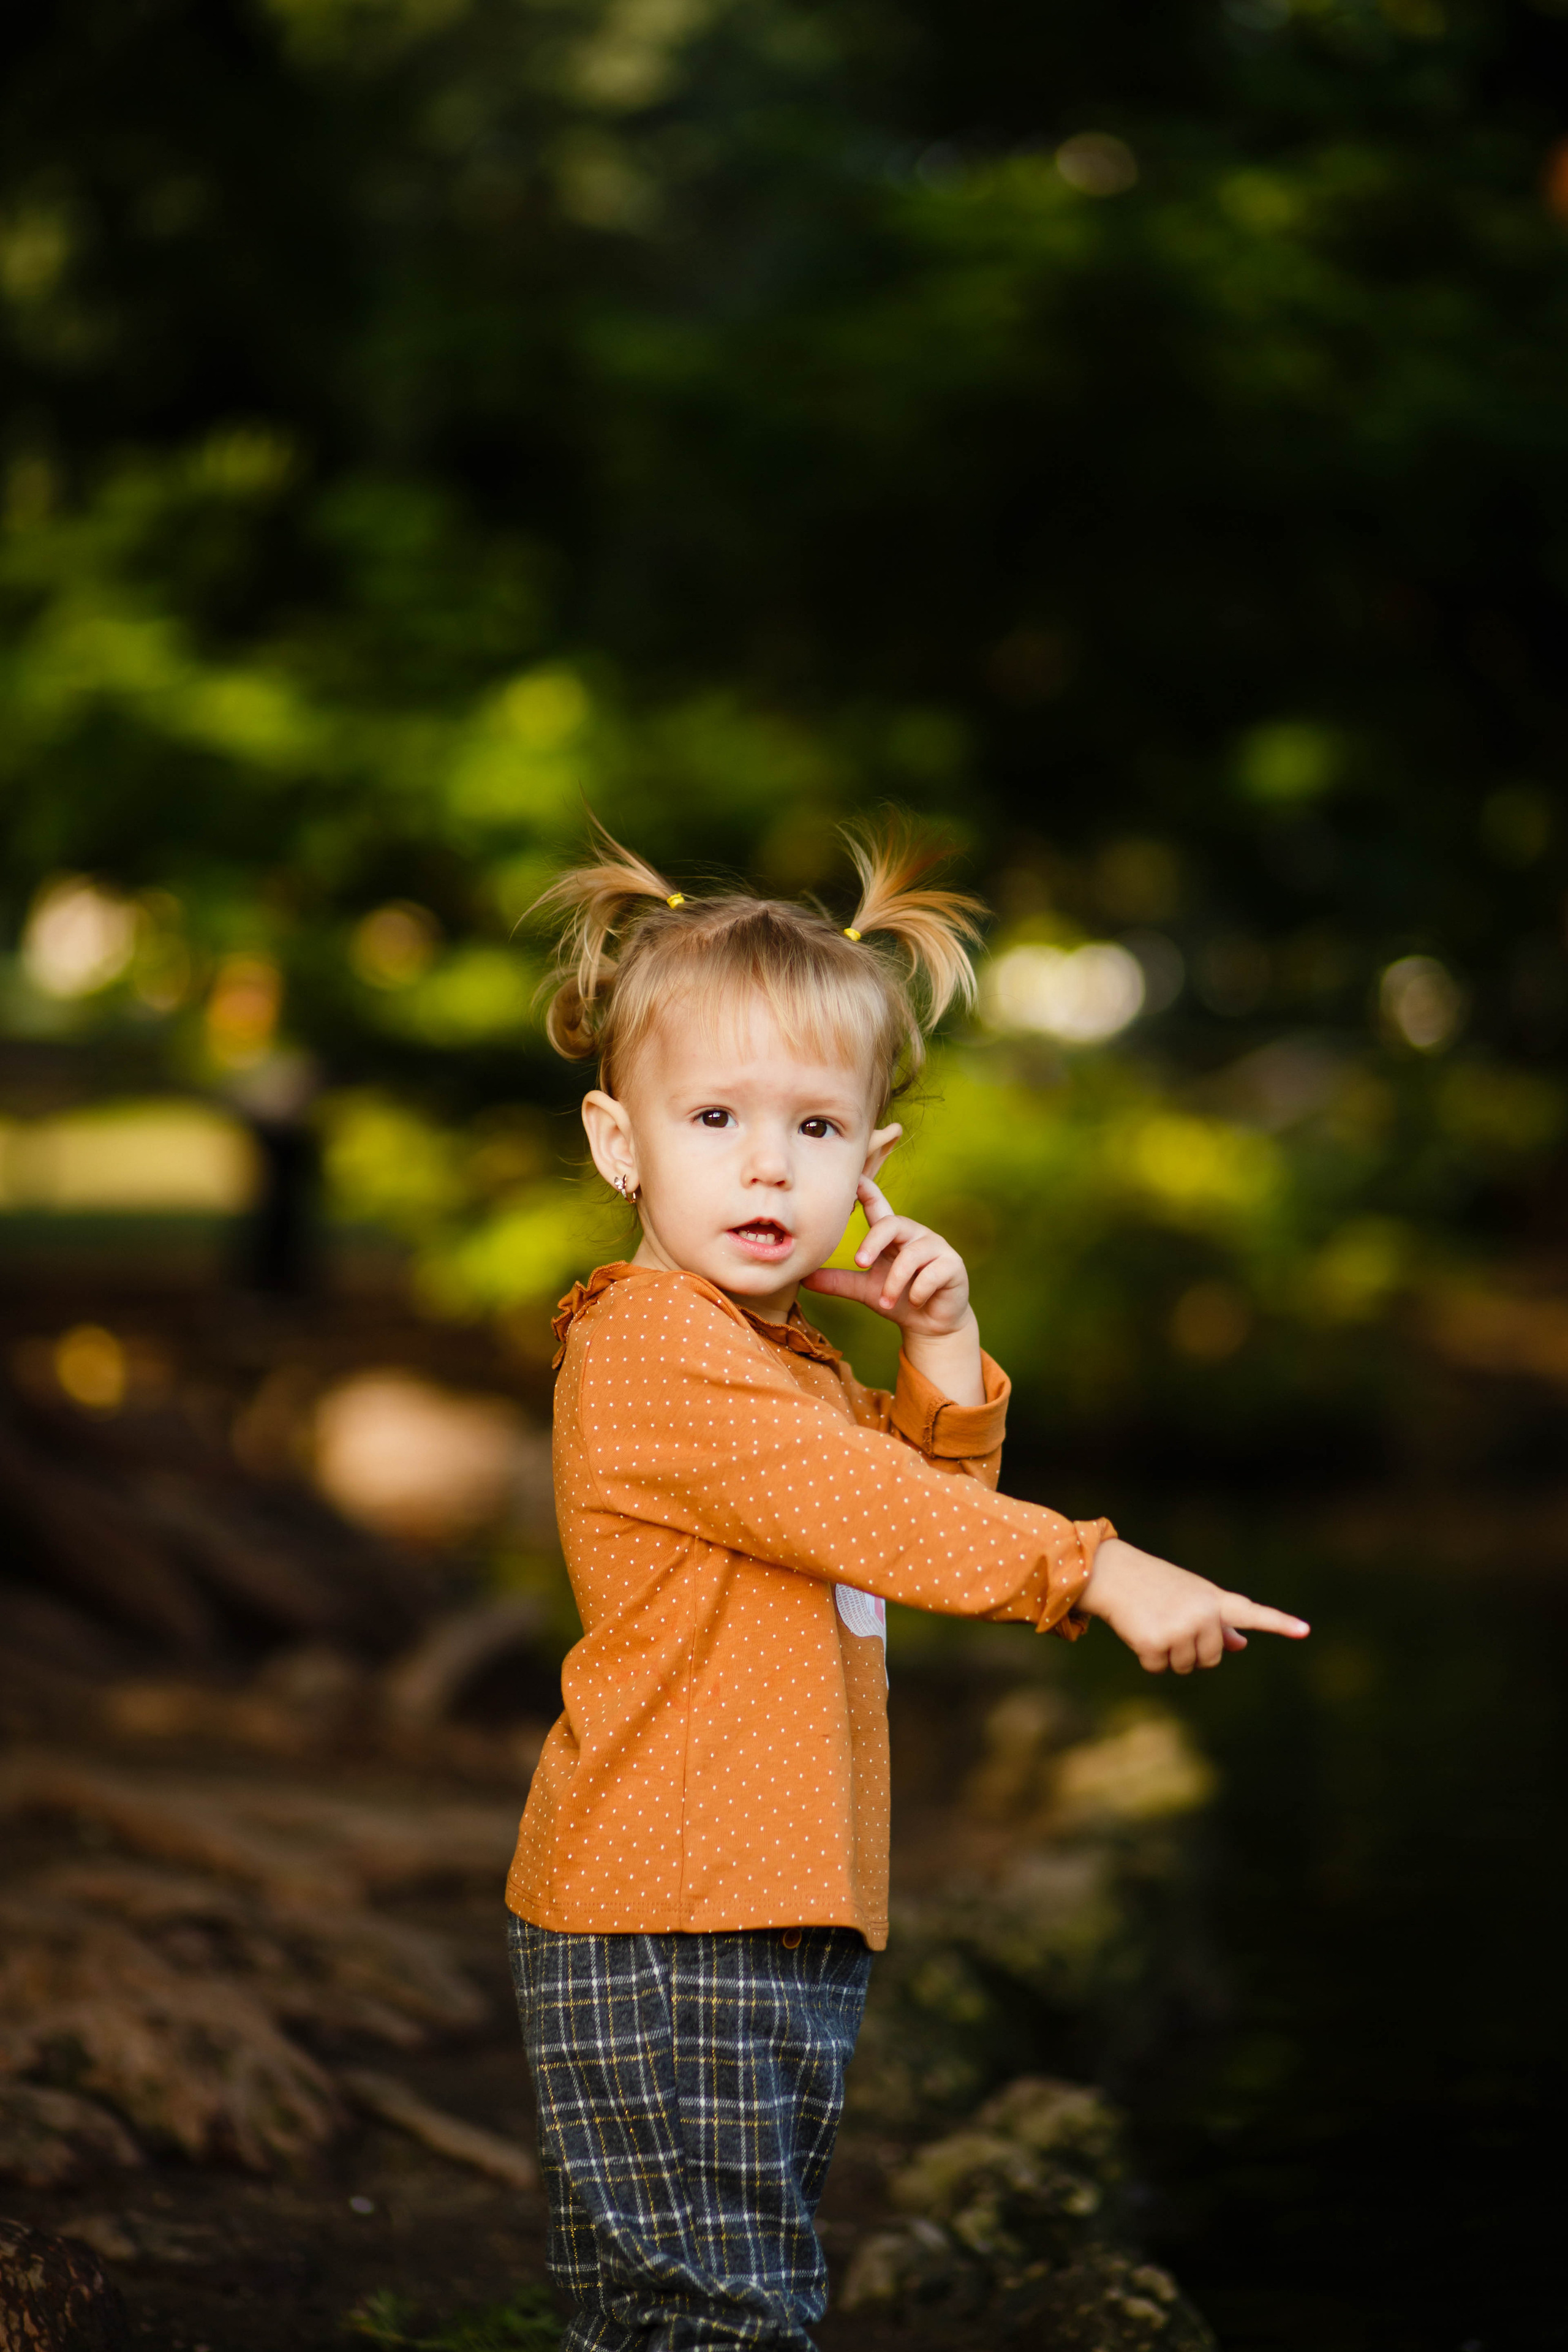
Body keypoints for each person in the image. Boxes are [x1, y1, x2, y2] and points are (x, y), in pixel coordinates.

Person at [505, 820, 1308, 2352]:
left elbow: (911, 1533)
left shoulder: (778, 1362)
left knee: (721, 2293)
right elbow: (893, 1519)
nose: (763, 1162)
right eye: (715, 1116)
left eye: (813, 1131)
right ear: (620, 1143)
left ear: (871, 1163)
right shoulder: (653, 1344)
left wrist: (939, 1357)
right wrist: (1098, 1567)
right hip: (674, 1917)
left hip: (766, 1902)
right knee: (708, 2315)